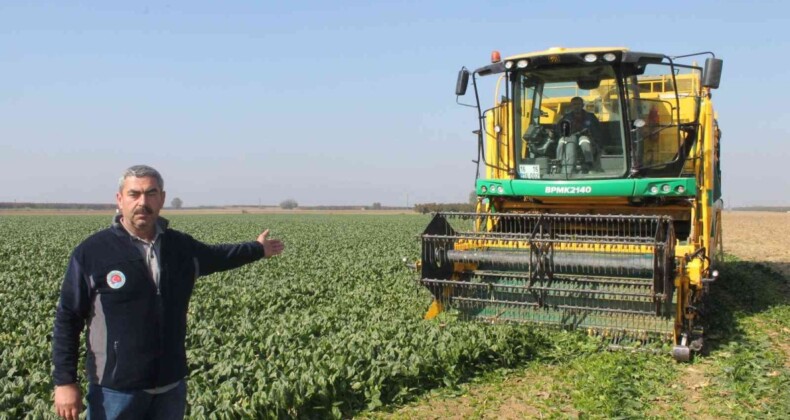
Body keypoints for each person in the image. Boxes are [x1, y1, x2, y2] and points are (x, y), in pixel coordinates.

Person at [52, 165, 285, 419]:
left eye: (151, 193)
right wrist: (65, 382)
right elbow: (68, 317)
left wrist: (257, 249)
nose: (143, 202)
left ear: (162, 198)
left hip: (170, 387)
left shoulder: (180, 247)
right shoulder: (93, 252)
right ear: (120, 200)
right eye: (134, 194)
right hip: (115, 391)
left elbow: (218, 256)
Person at [554, 96, 601, 171]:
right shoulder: (566, 117)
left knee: (584, 141)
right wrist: (563, 134)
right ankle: (559, 162)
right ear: (571, 106)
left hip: (585, 136)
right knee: (561, 141)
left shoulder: (591, 117)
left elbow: (597, 131)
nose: (576, 106)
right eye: (574, 104)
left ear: (582, 105)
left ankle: (589, 162)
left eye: (578, 104)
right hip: (570, 137)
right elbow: (559, 129)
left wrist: (595, 140)